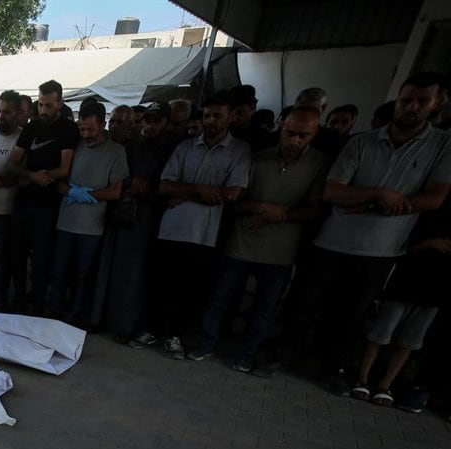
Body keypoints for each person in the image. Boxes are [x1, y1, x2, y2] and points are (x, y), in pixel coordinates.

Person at [304, 72, 451, 394]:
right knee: (310, 302)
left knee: (356, 316)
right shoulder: (362, 142)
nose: (411, 107)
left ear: (437, 104)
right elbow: (333, 192)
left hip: (382, 250)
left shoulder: (442, 145)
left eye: (421, 102)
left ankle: (337, 368)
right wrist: (382, 195)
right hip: (333, 241)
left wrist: (370, 203)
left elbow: (434, 199)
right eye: (406, 100)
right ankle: (293, 356)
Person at [189, 108, 328, 371]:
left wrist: (280, 214)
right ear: (280, 125)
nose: (294, 141)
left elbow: (315, 210)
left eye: (303, 135)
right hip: (241, 244)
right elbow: (234, 201)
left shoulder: (319, 165)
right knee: (221, 299)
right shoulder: (257, 158)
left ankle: (247, 355)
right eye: (289, 133)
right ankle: (206, 345)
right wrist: (261, 209)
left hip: (280, 252)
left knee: (265, 307)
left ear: (315, 133)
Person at [132, 92, 251, 358]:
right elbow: (164, 186)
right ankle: (152, 328)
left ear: (230, 117)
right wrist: (201, 190)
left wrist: (183, 193)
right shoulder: (185, 146)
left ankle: (175, 335)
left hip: (205, 234)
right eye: (207, 115)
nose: (211, 120)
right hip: (172, 228)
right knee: (160, 283)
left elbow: (231, 194)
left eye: (217, 116)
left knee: (190, 289)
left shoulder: (239, 151)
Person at [352, 205, 449, 405]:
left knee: (410, 341)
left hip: (435, 292)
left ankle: (385, 385)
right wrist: (431, 244)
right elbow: (405, 245)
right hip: (406, 284)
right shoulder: (431, 214)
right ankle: (362, 379)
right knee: (380, 334)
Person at [96, 103, 176, 340]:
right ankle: (109, 320)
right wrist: (131, 183)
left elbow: (167, 186)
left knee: (135, 274)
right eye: (147, 121)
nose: (149, 126)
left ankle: (127, 326)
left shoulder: (170, 149)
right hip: (122, 213)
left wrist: (149, 188)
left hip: (149, 218)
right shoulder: (131, 147)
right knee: (113, 268)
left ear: (165, 123)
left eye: (155, 121)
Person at [49, 102, 129, 325]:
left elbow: (115, 191)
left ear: (102, 124)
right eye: (82, 129)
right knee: (60, 270)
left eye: (91, 129)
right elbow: (58, 183)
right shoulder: (74, 146)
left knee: (84, 274)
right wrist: (72, 191)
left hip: (92, 226)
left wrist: (91, 194)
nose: (86, 134)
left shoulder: (116, 151)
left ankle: (79, 313)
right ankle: (54, 311)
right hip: (65, 221)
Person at [8, 79, 81, 315]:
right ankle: (19, 300)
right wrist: (31, 176)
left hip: (48, 206)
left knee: (42, 261)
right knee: (17, 256)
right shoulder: (31, 128)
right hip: (23, 202)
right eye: (40, 105)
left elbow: (65, 168)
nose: (43, 110)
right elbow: (13, 163)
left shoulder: (69, 130)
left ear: (59, 103)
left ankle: (39, 306)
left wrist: (40, 177)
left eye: (48, 105)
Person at [0, 91, 23, 309]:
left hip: (7, 212)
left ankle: (3, 300)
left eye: (7, 112)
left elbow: (19, 172)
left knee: (4, 259)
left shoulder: (22, 138)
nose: (1, 116)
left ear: (18, 113)